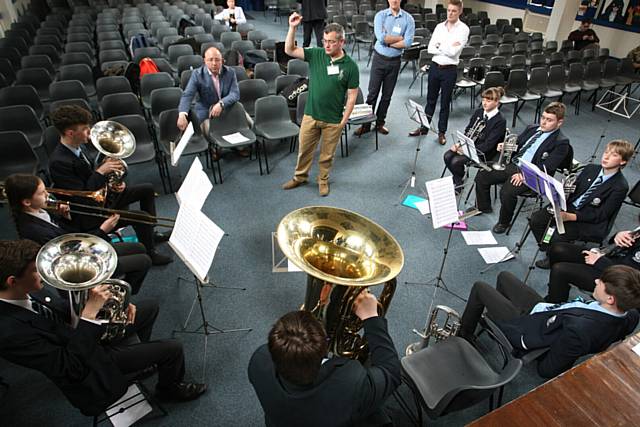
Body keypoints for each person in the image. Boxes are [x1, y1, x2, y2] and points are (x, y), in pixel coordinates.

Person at [0, 240, 206, 416]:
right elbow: (70, 368)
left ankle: (143, 363)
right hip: (89, 369)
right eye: (36, 271)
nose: (44, 274)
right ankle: (168, 389)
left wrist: (118, 303)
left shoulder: (27, 290)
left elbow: (63, 309)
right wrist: (90, 315)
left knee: (150, 308)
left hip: (83, 338)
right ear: (12, 281)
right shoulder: (9, 333)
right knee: (173, 348)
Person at [248, 291, 401, 426]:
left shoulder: (259, 360)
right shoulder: (352, 387)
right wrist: (371, 318)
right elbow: (391, 371)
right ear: (323, 349)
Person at [458, 267, 640, 378]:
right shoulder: (631, 314)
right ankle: (496, 314)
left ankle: (464, 335)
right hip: (546, 312)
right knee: (504, 276)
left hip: (528, 329)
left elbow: (548, 370)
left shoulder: (579, 332)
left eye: (601, 282)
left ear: (610, 299)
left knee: (480, 287)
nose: (595, 280)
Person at [48, 105, 172, 266]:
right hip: (90, 213)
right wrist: (101, 172)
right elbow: (81, 196)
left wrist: (112, 182)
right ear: (70, 133)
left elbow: (90, 175)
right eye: (85, 129)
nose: (90, 132)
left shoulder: (80, 145)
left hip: (102, 198)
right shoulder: (59, 162)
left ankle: (151, 233)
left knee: (147, 189)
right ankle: (150, 253)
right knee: (142, 217)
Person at [4, 173, 151, 295]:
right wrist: (103, 230)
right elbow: (72, 251)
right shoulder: (33, 230)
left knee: (139, 247)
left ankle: (120, 288)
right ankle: (121, 294)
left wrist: (65, 217)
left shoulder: (41, 210)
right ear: (27, 202)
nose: (48, 195)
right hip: (79, 268)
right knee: (144, 261)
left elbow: (69, 235)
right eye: (42, 193)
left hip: (83, 252)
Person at [281, 14, 359, 197]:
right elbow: (290, 50)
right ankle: (300, 177)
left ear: (342, 42)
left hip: (333, 120)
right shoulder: (316, 54)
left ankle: (322, 180)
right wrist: (292, 28)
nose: (327, 45)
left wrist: (343, 121)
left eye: (331, 42)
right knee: (304, 150)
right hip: (310, 114)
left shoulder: (351, 67)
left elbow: (352, 96)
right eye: (324, 41)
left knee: (327, 155)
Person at [470, 102, 570, 234]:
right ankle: (483, 206)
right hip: (514, 164)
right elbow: (518, 143)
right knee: (483, 173)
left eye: (549, 120)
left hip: (533, 174)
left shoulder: (561, 142)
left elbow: (547, 166)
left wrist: (524, 175)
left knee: (507, 191)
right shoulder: (532, 128)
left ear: (559, 122)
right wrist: (505, 145)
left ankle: (504, 222)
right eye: (543, 118)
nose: (544, 122)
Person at [530, 140, 632, 268]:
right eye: (606, 152)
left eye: (614, 155)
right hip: (570, 206)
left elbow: (601, 214)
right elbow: (575, 189)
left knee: (559, 234)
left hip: (589, 219)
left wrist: (570, 216)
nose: (606, 157)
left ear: (623, 162)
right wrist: (561, 191)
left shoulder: (620, 186)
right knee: (536, 219)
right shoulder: (591, 168)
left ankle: (552, 257)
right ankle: (546, 245)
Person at [409, 0, 469, 145]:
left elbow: (454, 52)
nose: (450, 13)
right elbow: (430, 49)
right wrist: (447, 46)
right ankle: (424, 127)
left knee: (444, 103)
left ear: (460, 11)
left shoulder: (463, 29)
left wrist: (440, 45)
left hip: (449, 70)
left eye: (454, 11)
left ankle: (442, 132)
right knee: (430, 100)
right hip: (435, 67)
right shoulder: (439, 27)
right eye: (448, 10)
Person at [354, 0, 415, 136]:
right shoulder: (380, 16)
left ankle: (380, 123)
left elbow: (408, 42)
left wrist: (389, 42)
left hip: (395, 62)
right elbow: (381, 38)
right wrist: (399, 38)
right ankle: (365, 125)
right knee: (372, 94)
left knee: (387, 95)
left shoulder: (408, 19)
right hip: (379, 59)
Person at [177, 46, 247, 160]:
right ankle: (214, 148)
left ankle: (238, 146)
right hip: (205, 110)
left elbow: (235, 94)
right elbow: (187, 95)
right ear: (204, 61)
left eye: (217, 60)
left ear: (222, 61)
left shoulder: (230, 72)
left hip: (226, 108)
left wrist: (221, 103)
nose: (214, 63)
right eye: (210, 60)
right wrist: (182, 114)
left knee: (247, 121)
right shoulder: (197, 75)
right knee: (209, 129)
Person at [544, 222, 640, 303]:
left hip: (618, 280)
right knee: (558, 249)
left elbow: (632, 277)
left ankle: (554, 305)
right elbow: (616, 245)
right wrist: (618, 236)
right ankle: (559, 289)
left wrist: (599, 261)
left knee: (560, 270)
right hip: (608, 257)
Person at [443, 87, 507, 192]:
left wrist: (466, 150)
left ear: (497, 103)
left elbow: (488, 145)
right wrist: (459, 144)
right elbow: (468, 130)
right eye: (483, 100)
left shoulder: (500, 121)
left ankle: (458, 182)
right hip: (469, 146)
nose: (484, 103)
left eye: (488, 101)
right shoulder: (479, 112)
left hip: (484, 153)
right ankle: (458, 177)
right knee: (447, 156)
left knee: (455, 161)